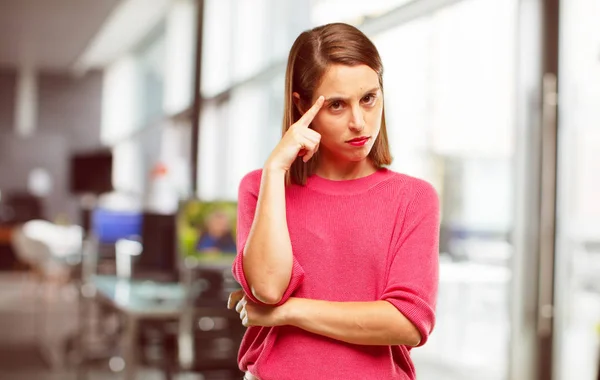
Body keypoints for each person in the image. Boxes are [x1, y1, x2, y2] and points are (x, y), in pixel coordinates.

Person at [227, 22, 440, 380]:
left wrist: (288, 312)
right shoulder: (263, 187)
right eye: (338, 105)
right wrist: (276, 169)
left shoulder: (413, 199)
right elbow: (266, 288)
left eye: (369, 98)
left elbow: (407, 323)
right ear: (302, 105)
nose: (359, 122)